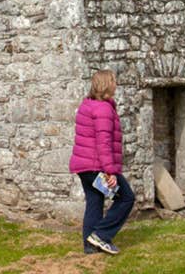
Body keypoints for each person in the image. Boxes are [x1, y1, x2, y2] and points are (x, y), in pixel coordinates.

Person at [69, 69, 135, 255]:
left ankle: (90, 246)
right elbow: (103, 143)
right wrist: (110, 172)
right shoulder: (103, 109)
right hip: (97, 166)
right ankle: (101, 235)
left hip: (83, 166)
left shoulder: (87, 104)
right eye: (114, 81)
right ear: (108, 84)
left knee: (94, 201)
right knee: (126, 198)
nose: (116, 84)